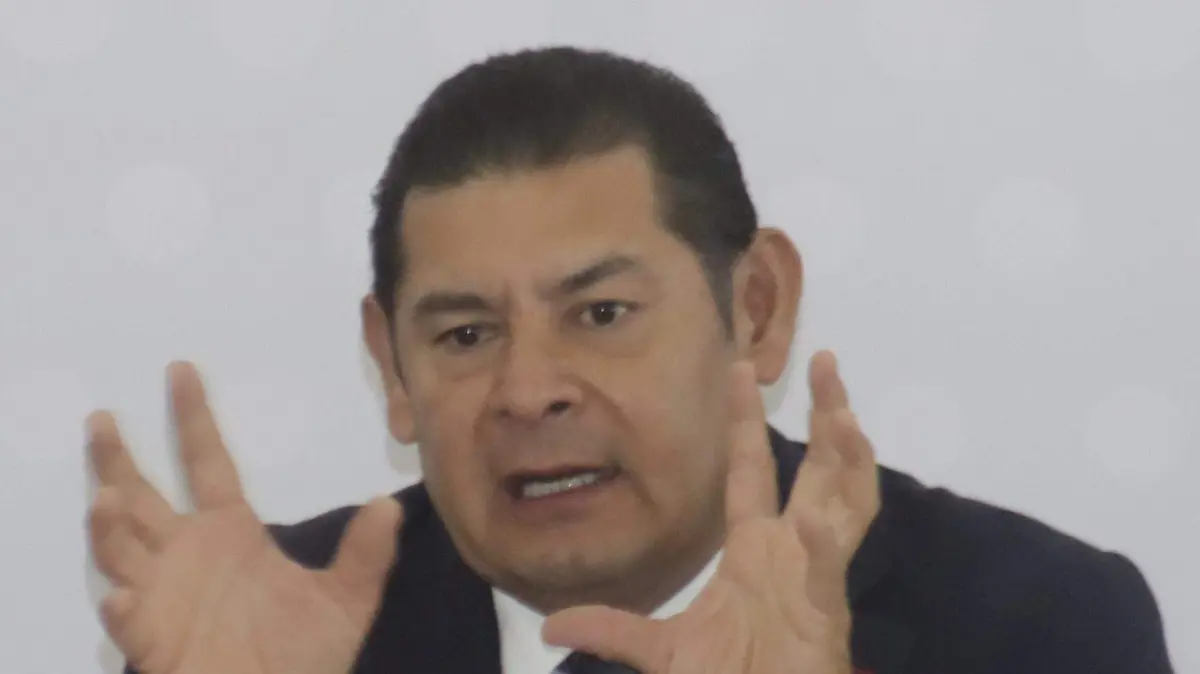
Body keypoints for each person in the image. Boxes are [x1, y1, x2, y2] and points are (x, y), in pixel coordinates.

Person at [87, 47, 1175, 674]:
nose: (529, 392)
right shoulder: (274, 636)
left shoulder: (1043, 625)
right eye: (465, 335)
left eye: (601, 313)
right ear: (393, 367)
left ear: (755, 308)